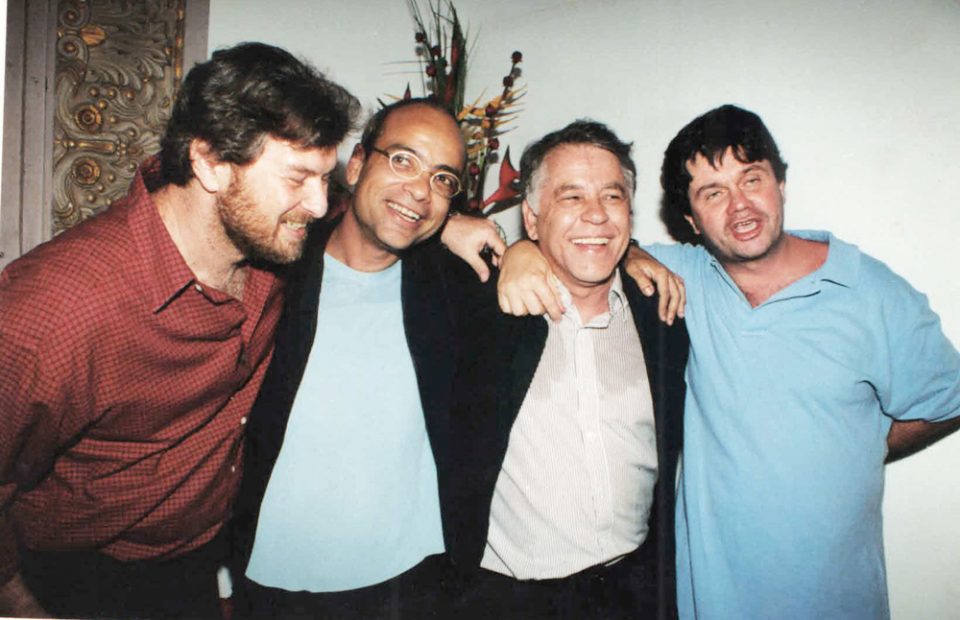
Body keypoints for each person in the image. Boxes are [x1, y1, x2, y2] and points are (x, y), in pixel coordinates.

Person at [497, 104, 960, 619]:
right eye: (713, 193)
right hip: (706, 601)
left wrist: (858, 446)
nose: (740, 206)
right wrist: (521, 253)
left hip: (834, 600)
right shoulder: (680, 279)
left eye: (752, 179)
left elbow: (946, 400)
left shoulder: (871, 293)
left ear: (781, 184)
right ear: (691, 220)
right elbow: (591, 245)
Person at [0, 42, 361, 618]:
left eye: (325, 178)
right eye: (298, 178)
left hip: (191, 568)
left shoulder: (269, 241)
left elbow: (366, 214)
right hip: (68, 583)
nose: (319, 204)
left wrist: (454, 227)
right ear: (210, 162)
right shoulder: (55, 309)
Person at [443, 120, 689, 619]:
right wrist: (453, 226)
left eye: (612, 196)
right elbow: (380, 232)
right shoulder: (483, 308)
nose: (596, 214)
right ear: (532, 220)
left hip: (635, 590)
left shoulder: (661, 313)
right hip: (506, 600)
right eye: (571, 197)